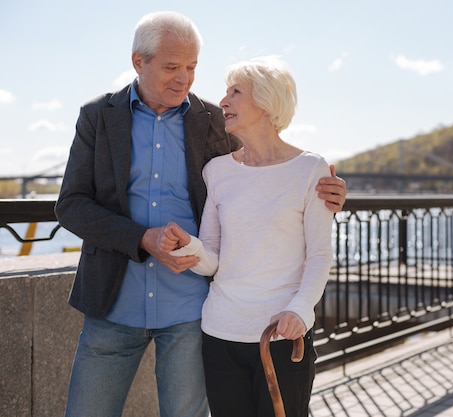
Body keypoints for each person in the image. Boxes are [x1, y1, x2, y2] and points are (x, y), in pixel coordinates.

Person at [54, 12, 346, 417]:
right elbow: (71, 205)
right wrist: (142, 238)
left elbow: (268, 171)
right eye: (172, 67)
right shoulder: (98, 117)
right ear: (139, 61)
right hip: (113, 305)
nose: (184, 79)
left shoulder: (213, 121)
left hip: (192, 313)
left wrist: (329, 191)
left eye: (192, 67)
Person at [165, 56, 333, 417]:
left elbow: (319, 254)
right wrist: (188, 247)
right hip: (219, 332)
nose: (223, 101)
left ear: (268, 102)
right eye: (225, 93)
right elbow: (212, 255)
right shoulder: (218, 171)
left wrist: (301, 310)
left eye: (236, 92)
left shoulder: (310, 168)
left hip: (282, 336)